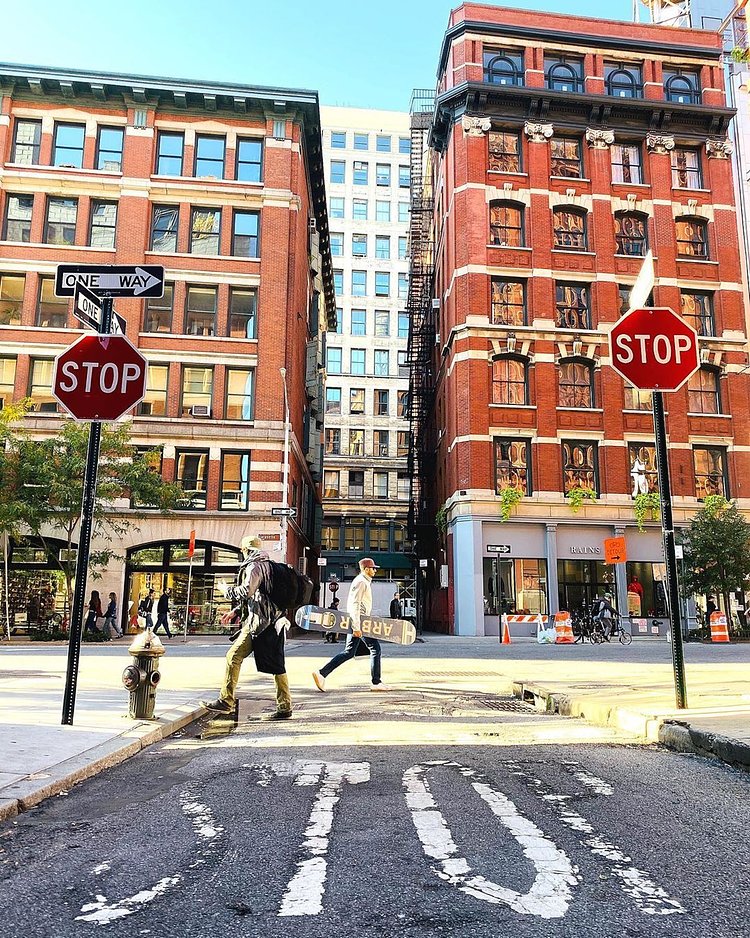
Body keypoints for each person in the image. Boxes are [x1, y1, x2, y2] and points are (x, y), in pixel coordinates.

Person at [202, 534, 292, 720]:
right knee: (277, 664)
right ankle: (284, 706)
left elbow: (247, 591)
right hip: (272, 620)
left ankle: (226, 701)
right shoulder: (269, 565)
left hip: (259, 623)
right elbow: (259, 596)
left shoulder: (254, 565)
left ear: (245, 550)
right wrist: (236, 611)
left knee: (233, 657)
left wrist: (225, 590)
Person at [313, 557, 388, 693]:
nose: (375, 571)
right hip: (359, 622)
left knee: (349, 652)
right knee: (375, 648)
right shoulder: (361, 582)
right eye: (373, 568)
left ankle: (322, 673)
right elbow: (355, 604)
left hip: (360, 621)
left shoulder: (363, 581)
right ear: (366, 569)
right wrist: (357, 626)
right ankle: (376, 682)